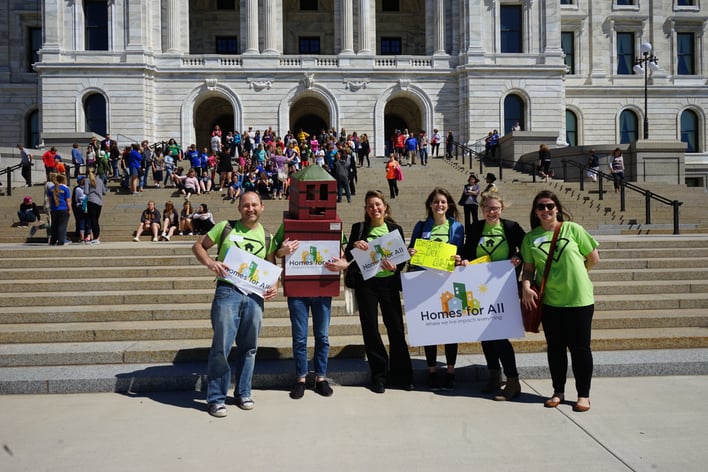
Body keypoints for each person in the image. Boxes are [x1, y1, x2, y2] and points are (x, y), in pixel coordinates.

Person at [192, 191, 278, 418]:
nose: (251, 209)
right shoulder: (225, 227)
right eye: (246, 205)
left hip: (254, 296)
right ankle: (216, 398)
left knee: (249, 347)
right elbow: (199, 246)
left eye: (254, 205)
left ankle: (243, 393)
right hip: (227, 292)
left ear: (262, 207)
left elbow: (271, 265)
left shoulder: (267, 236)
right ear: (239, 208)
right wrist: (211, 262)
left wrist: (275, 284)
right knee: (221, 346)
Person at [520, 190, 600, 413]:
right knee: (555, 348)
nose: (546, 210)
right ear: (535, 212)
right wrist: (526, 286)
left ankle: (583, 395)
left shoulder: (573, 229)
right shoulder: (530, 238)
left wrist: (576, 275)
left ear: (557, 208)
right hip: (551, 302)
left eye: (550, 206)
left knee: (580, 349)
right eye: (541, 207)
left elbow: (593, 258)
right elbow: (528, 269)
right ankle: (558, 391)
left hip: (579, 300)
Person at [344, 190, 413, 393]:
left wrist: (396, 267)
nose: (375, 208)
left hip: (388, 285)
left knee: (396, 330)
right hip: (367, 286)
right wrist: (354, 245)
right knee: (371, 331)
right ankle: (379, 376)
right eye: (370, 205)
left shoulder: (394, 229)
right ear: (366, 209)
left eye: (377, 204)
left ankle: (403, 375)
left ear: (385, 206)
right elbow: (349, 254)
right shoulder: (359, 228)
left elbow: (401, 260)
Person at [462, 192, 526, 400]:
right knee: (485, 334)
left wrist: (519, 257)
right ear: (482, 209)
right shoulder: (475, 228)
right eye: (488, 208)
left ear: (502, 209)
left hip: (504, 288)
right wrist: (463, 260)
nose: (491, 212)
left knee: (499, 336)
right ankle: (493, 375)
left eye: (495, 208)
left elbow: (527, 248)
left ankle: (513, 380)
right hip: (480, 288)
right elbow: (467, 252)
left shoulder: (511, 227)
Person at [272, 224, 348, 399]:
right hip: (298, 290)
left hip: (322, 289)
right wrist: (282, 251)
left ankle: (321, 377)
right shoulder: (287, 225)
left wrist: (342, 263)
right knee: (299, 337)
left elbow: (343, 252)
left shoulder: (334, 224)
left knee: (322, 336)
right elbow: (275, 251)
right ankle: (301, 378)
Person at [408, 188, 465, 390]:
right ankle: (432, 371)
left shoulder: (457, 227)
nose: (439, 205)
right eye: (436, 202)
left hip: (448, 283)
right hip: (426, 282)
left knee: (450, 330)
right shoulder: (422, 226)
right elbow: (412, 253)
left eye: (443, 202)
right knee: (429, 329)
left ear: (448, 205)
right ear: (430, 205)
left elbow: (462, 252)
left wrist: (460, 259)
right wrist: (411, 252)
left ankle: (450, 372)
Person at [47, 174, 71, 245]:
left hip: (54, 209)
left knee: (54, 225)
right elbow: (68, 201)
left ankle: (53, 241)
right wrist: (70, 210)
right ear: (63, 180)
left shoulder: (51, 188)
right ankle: (61, 240)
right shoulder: (65, 189)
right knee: (62, 225)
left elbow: (49, 200)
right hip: (63, 208)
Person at [85, 169, 105, 244]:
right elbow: (104, 191)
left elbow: (86, 191)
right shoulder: (100, 180)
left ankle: (95, 237)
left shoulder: (87, 180)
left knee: (93, 220)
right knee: (96, 220)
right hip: (99, 202)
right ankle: (97, 237)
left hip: (91, 200)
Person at [72, 175, 92, 243]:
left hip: (81, 206)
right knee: (89, 221)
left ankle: (82, 237)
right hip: (89, 204)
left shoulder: (77, 189)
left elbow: (76, 199)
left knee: (81, 221)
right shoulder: (89, 187)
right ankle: (90, 236)